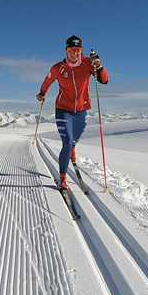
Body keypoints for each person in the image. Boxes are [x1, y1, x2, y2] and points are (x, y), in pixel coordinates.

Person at [37, 35, 108, 189]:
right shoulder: (58, 68)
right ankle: (62, 177)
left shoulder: (88, 63)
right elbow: (48, 81)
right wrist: (42, 93)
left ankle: (73, 147)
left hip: (81, 110)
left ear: (81, 51)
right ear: (66, 50)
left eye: (77, 50)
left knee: (74, 138)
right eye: (71, 49)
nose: (74, 53)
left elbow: (104, 80)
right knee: (67, 142)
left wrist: (99, 65)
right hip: (63, 109)